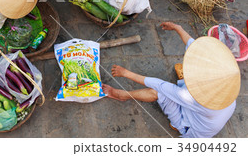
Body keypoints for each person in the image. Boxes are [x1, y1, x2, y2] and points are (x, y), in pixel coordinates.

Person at [103, 22, 240, 138]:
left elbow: (159, 85)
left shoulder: (194, 98)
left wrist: (126, 73)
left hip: (190, 129)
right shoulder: (227, 89)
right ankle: (184, 83)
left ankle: (122, 96)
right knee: (187, 69)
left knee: (158, 93)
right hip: (201, 116)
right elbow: (195, 49)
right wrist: (177, 28)